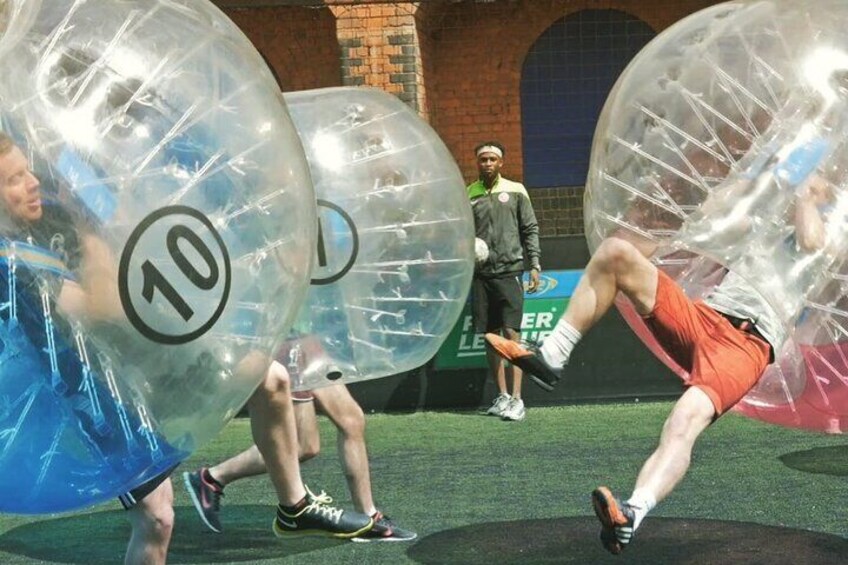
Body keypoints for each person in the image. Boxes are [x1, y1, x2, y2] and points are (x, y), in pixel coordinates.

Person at [0, 133, 374, 564]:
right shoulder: (14, 263)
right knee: (157, 516)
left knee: (268, 377)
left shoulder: (44, 222)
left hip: (132, 364)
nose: (34, 183)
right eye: (15, 178)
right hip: (90, 398)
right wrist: (89, 226)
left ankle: (294, 507)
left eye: (30, 170)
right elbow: (105, 307)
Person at [484, 142, 832, 552]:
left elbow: (811, 241)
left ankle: (631, 512)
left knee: (682, 424)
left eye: (820, 178)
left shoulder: (827, 236)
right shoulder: (763, 224)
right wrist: (760, 174)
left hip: (746, 347)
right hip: (706, 319)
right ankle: (552, 357)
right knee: (616, 253)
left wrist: (807, 192)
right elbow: (710, 217)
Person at [183, 379, 416, 542]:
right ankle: (212, 477)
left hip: (311, 340)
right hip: (290, 347)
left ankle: (369, 516)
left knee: (351, 420)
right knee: (304, 446)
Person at [467, 141, 541, 421]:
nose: (487, 163)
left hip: (510, 272)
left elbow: (530, 229)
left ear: (501, 163)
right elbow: (465, 233)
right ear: (478, 163)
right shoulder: (469, 194)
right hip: (481, 276)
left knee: (512, 335)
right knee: (490, 337)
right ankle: (502, 396)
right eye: (482, 159)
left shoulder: (516, 190)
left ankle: (518, 399)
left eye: (492, 159)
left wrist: (534, 264)